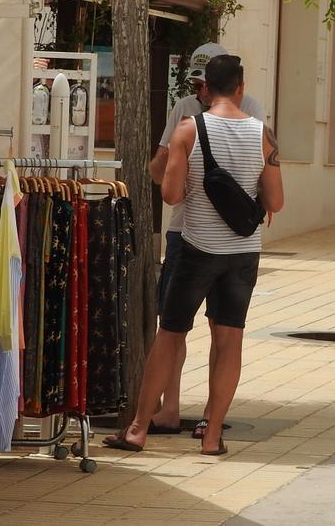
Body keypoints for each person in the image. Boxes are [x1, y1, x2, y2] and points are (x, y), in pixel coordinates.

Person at [105, 54, 284, 455]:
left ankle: (137, 429)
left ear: (206, 89)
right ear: (240, 87)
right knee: (229, 339)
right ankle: (214, 436)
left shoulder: (189, 130)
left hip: (196, 247)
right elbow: (276, 200)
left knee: (170, 335)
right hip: (242, 253)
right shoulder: (263, 134)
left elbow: (169, 195)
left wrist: (193, 188)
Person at [147, 42, 267, 439]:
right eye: (195, 84)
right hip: (191, 233)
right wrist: (176, 152)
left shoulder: (253, 111)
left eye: (203, 83)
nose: (199, 91)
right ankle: (172, 410)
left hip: (217, 239)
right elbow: (158, 174)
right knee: (178, 327)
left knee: (217, 331)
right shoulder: (184, 111)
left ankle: (205, 421)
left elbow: (171, 191)